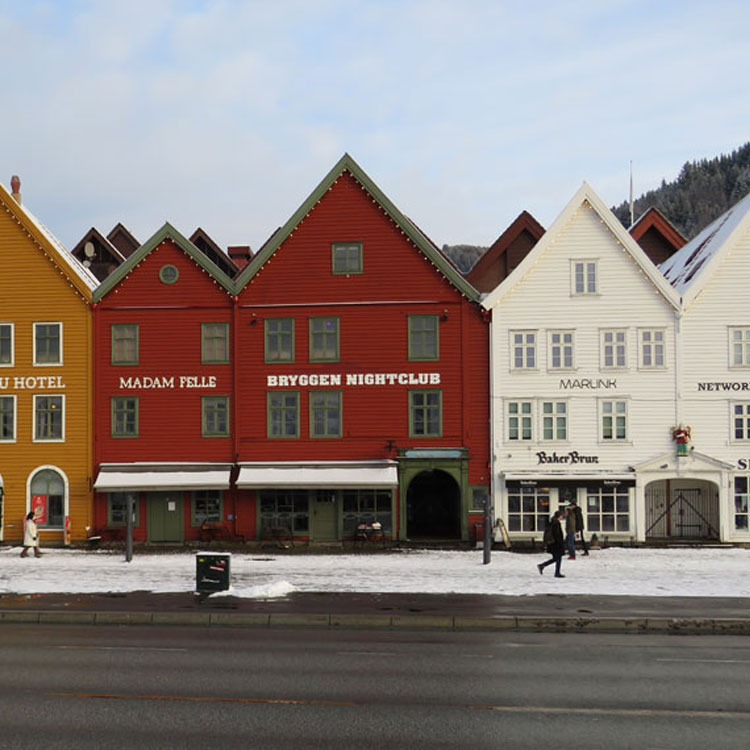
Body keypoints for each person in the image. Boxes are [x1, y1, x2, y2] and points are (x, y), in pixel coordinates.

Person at [537, 510, 565, 578]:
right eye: (561, 515)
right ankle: (556, 572)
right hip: (555, 544)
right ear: (559, 516)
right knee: (558, 558)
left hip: (552, 543)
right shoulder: (556, 523)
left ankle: (542, 566)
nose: (562, 517)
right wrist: (560, 543)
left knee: (556, 558)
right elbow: (557, 534)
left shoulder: (552, 522)